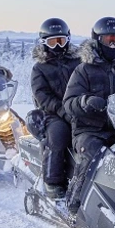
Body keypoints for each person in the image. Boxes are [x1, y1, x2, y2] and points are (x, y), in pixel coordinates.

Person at [63, 17, 115, 213]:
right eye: (108, 40)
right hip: (89, 130)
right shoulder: (84, 70)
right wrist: (85, 102)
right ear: (97, 40)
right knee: (94, 155)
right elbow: (68, 102)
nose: (113, 44)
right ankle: (75, 203)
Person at [30, 18, 81, 199]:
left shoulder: (78, 62)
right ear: (44, 43)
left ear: (68, 39)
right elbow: (42, 95)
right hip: (52, 113)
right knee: (59, 135)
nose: (58, 46)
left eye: (61, 40)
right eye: (53, 42)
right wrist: (62, 110)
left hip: (78, 109)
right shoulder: (40, 68)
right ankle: (52, 181)